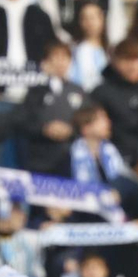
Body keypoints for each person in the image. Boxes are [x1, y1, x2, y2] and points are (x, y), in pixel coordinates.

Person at [17, 41, 90, 177]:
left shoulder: (79, 91)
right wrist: (44, 129)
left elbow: (88, 121)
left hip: (71, 160)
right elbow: (23, 121)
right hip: (40, 160)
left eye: (65, 57)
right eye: (55, 57)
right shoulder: (36, 91)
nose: (60, 62)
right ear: (45, 62)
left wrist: (71, 131)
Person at [90, 37, 138, 162]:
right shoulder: (101, 93)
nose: (132, 66)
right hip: (115, 157)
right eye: (126, 60)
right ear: (114, 62)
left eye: (137, 60)